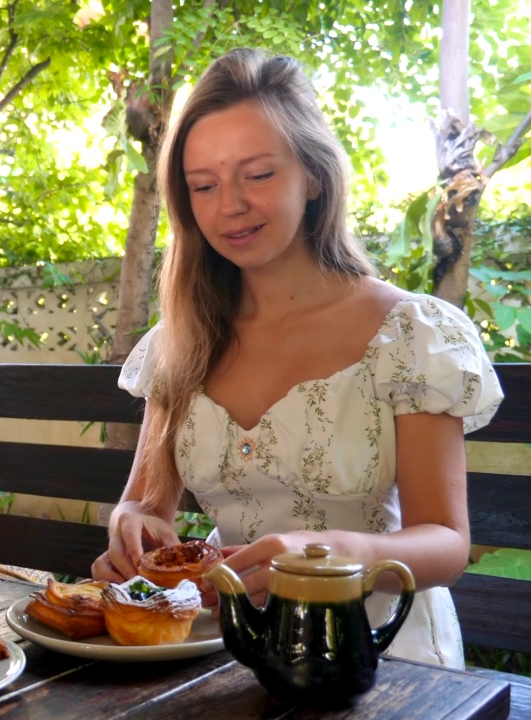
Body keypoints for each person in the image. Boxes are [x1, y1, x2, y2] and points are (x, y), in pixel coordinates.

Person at [90, 48, 504, 669]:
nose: (228, 205)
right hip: (223, 653)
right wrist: (130, 527)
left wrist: (335, 551)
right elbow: (148, 505)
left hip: (380, 658)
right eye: (203, 186)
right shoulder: (180, 339)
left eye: (257, 175)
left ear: (313, 178)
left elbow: (446, 544)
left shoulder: (411, 334)